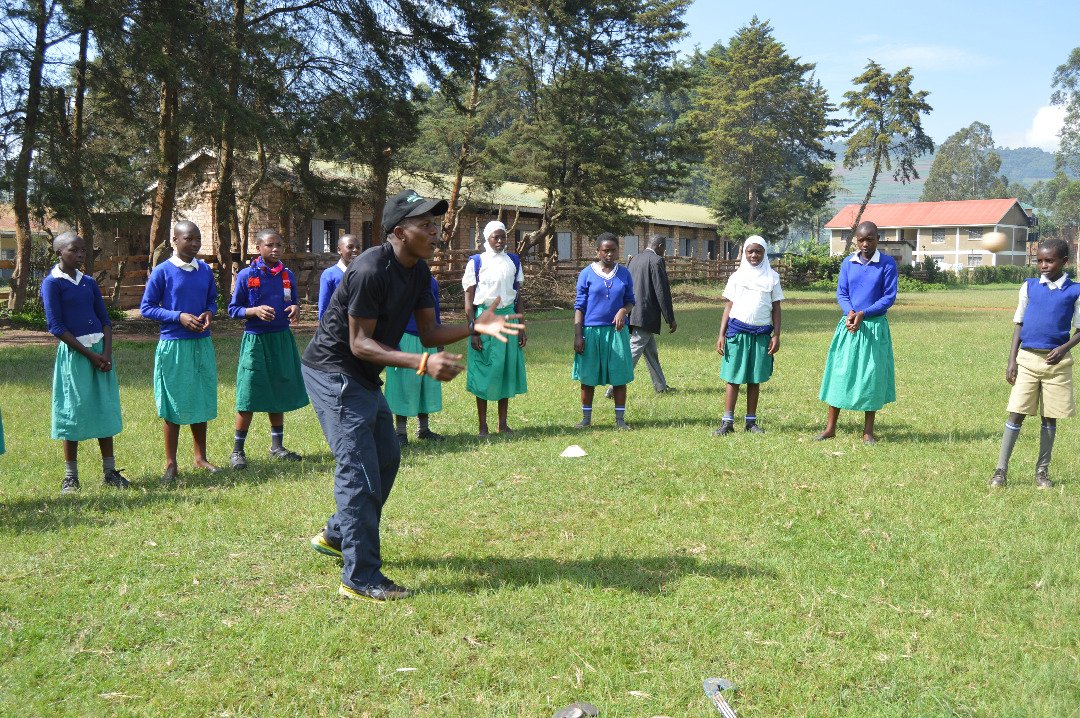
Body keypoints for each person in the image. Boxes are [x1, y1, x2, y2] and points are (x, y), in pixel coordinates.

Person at [301, 189, 520, 602]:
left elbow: (429, 332)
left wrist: (475, 326)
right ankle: (360, 577)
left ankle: (338, 534)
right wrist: (422, 363)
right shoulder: (370, 269)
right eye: (425, 225)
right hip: (333, 372)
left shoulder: (418, 271)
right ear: (400, 231)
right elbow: (359, 343)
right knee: (359, 470)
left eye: (435, 224)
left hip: (363, 375)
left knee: (387, 457)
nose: (436, 232)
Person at [41, 232, 129, 494]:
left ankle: (110, 472)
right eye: (73, 250)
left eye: (83, 250)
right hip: (76, 354)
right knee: (73, 411)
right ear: (59, 252)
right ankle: (71, 477)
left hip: (100, 352)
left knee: (104, 407)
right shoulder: (52, 283)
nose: (80, 255)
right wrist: (90, 355)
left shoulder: (88, 282)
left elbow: (105, 320)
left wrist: (106, 354)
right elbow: (56, 326)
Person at [990, 238, 1080, 489]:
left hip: (1056, 364)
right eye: (1039, 261)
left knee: (1049, 417)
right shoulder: (1029, 286)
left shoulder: (1075, 291)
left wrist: (1063, 349)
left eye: (1049, 261)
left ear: (1064, 261)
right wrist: (1012, 360)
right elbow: (1019, 323)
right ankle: (1000, 470)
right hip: (1027, 360)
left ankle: (1042, 472)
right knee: (1016, 412)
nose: (1043, 265)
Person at [140, 221, 221, 485]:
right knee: (173, 403)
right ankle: (171, 463)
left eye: (198, 238)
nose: (195, 243)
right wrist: (179, 316)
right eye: (189, 238)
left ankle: (200, 458)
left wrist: (209, 313)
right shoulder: (163, 271)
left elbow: (212, 300)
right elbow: (147, 308)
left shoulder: (204, 270)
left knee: (200, 399)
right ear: (175, 240)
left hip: (201, 343)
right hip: (174, 344)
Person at [227, 229, 309, 468]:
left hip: (281, 339)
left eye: (279, 245)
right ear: (258, 248)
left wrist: (295, 308)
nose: (275, 249)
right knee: (249, 392)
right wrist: (254, 311)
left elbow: (293, 300)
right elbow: (233, 309)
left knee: (278, 388)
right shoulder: (247, 275)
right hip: (256, 340)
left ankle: (277, 446)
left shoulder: (287, 275)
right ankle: (237, 451)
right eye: (270, 245)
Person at [817, 221, 897, 444]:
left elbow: (888, 297)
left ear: (878, 239)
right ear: (855, 240)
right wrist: (850, 312)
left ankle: (868, 431)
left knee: (871, 376)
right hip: (849, 325)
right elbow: (842, 293)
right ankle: (830, 428)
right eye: (861, 240)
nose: (865, 244)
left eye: (869, 239)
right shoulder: (848, 263)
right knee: (839, 373)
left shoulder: (887, 264)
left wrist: (864, 313)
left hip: (873, 328)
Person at [463, 220, 528, 436]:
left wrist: (521, 327)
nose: (500, 241)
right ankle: (483, 425)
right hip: (485, 319)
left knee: (505, 370)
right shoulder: (477, 262)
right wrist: (473, 330)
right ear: (487, 238)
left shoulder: (513, 261)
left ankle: (503, 423)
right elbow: (469, 299)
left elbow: (518, 296)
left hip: (508, 319)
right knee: (484, 370)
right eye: (495, 237)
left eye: (503, 237)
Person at [715, 235, 784, 435]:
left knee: (755, 378)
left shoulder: (772, 277)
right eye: (750, 251)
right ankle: (727, 422)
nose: (754, 255)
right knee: (733, 377)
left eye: (758, 251)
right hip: (737, 333)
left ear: (764, 253)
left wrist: (776, 335)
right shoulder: (736, 277)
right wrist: (721, 334)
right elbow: (728, 306)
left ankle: (750, 422)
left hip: (761, 334)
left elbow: (776, 308)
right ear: (745, 253)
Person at [573, 233, 636, 430]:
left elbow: (630, 301)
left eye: (613, 250)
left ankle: (620, 420)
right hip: (591, 332)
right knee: (588, 377)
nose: (609, 254)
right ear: (597, 252)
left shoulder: (624, 273)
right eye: (605, 250)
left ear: (618, 251)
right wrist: (578, 335)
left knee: (619, 376)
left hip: (617, 332)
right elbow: (579, 306)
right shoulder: (587, 274)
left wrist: (623, 311)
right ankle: (586, 419)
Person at [607, 234, 675, 398]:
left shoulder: (634, 259)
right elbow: (662, 291)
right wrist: (670, 318)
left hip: (632, 312)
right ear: (659, 246)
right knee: (633, 351)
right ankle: (614, 387)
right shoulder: (656, 260)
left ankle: (661, 386)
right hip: (646, 315)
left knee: (651, 352)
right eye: (664, 248)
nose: (664, 252)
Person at [385, 274, 445, 445]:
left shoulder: (431, 281)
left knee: (425, 384)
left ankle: (424, 429)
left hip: (427, 338)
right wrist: (392, 341)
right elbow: (388, 312)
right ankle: (400, 432)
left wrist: (439, 339)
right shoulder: (395, 279)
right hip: (404, 337)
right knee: (403, 384)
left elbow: (435, 311)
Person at [317, 234, 362, 320]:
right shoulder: (329, 274)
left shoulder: (363, 273)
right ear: (339, 250)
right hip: (337, 324)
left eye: (358, 247)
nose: (355, 250)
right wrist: (324, 325)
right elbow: (324, 305)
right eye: (350, 247)